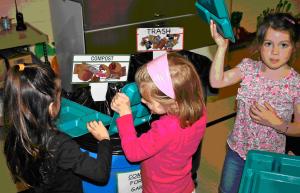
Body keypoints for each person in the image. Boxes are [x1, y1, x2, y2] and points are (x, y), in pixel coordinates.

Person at [209, 12, 300, 193]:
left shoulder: (296, 84)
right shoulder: (248, 68)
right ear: (259, 45)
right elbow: (216, 81)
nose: (275, 52)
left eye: (283, 45)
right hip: (237, 151)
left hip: (268, 157)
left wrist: (278, 124)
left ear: (293, 48)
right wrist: (221, 47)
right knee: (227, 190)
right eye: (268, 44)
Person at [92, 52, 207, 193]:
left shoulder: (166, 128)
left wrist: (125, 114)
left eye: (148, 101)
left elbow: (133, 153)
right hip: (184, 186)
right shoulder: (200, 109)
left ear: (171, 102)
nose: (142, 101)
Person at [3, 63, 112, 193]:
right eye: (59, 97)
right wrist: (104, 140)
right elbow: (100, 174)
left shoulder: (15, 133)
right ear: (50, 107)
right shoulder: (60, 144)